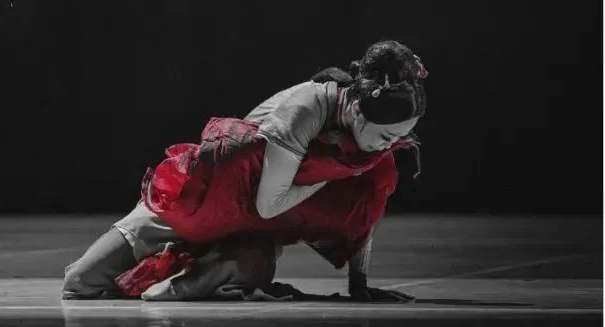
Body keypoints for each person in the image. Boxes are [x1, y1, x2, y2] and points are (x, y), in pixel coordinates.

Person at [62, 40, 427, 302]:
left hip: (250, 229)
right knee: (81, 282)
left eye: (400, 136)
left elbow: (364, 209)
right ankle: (173, 262)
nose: (391, 144)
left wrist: (359, 284)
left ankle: (184, 279)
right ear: (357, 110)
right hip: (207, 200)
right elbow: (270, 204)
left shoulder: (371, 145)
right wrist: (334, 173)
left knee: (240, 269)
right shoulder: (306, 108)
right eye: (387, 135)